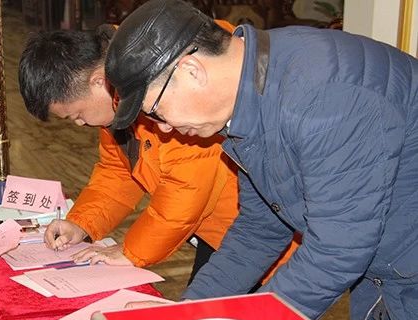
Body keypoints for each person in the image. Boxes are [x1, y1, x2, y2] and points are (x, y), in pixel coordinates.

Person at [105, 1, 418, 320]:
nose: (165, 128)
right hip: (395, 276)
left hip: (403, 265)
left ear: (190, 70)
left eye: (156, 111)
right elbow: (258, 228)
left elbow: (337, 250)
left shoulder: (324, 95)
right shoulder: (251, 96)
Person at [19, 26, 296, 282]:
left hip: (273, 244)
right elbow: (118, 173)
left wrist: (130, 251)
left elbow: (186, 190)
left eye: (77, 114)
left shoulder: (167, 82)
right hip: (226, 238)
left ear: (97, 81)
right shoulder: (118, 96)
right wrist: (81, 223)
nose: (80, 124)